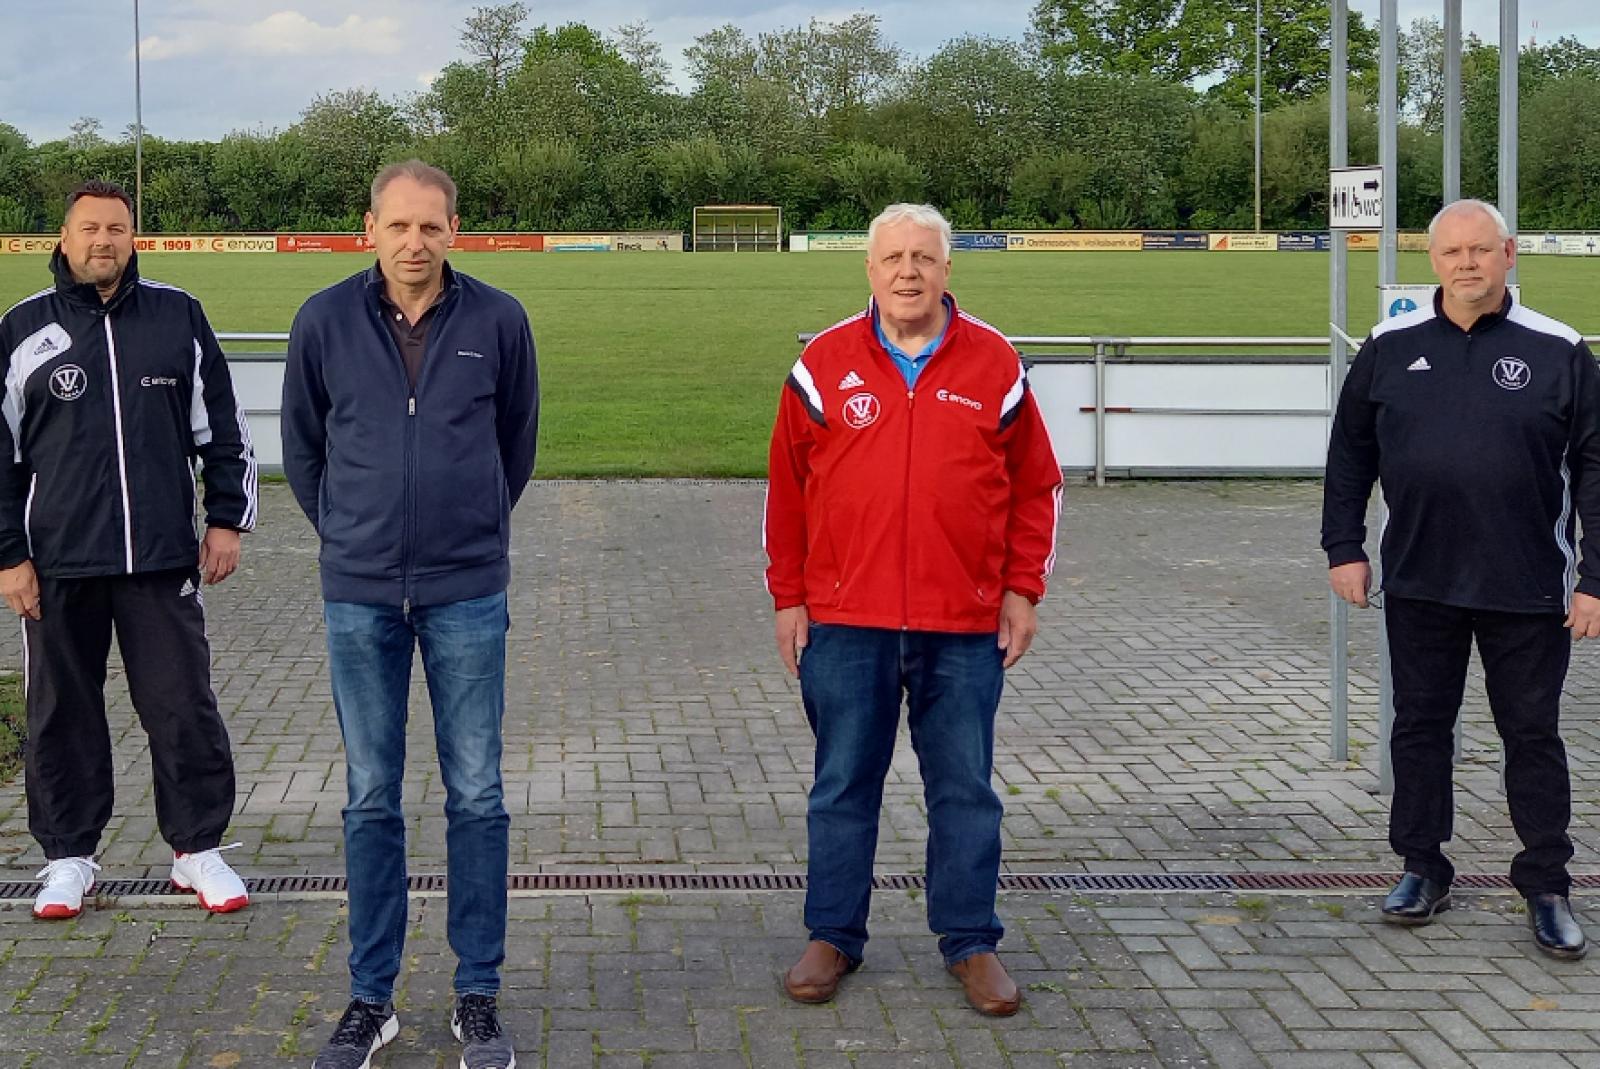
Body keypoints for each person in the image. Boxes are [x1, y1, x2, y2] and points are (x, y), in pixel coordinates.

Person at [763, 203, 1063, 1016]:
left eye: (923, 258)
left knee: (964, 789)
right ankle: (833, 934)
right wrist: (789, 597)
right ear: (869, 269)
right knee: (842, 785)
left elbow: (1038, 485)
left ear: (946, 270)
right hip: (845, 619)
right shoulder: (823, 363)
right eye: (893, 257)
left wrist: (1022, 588)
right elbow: (786, 490)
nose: (908, 272)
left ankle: (970, 940)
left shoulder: (995, 362)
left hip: (962, 622)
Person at [283, 160, 538, 1069]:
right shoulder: (323, 320)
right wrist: (354, 531)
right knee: (369, 794)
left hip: (467, 590)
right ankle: (371, 997)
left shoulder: (499, 320)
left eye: (430, 226)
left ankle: (477, 994)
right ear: (370, 229)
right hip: (360, 594)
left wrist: (466, 527)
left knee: (477, 793)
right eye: (398, 225)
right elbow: (304, 449)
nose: (414, 242)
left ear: (453, 230)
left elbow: (516, 445)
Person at [1323, 197, 1600, 960]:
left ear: (1509, 254)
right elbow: (1349, 454)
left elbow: (1595, 469)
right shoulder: (1389, 346)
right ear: (1433, 260)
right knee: (1419, 727)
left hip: (1530, 585)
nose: (1467, 263)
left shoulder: (1560, 349)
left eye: (1481, 249)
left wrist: (1595, 578)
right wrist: (1344, 546)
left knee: (1532, 734)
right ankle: (1422, 867)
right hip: (1420, 579)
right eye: (1452, 252)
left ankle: (1546, 883)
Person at [0, 179, 257, 920]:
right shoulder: (23, 328)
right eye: (88, 228)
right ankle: (67, 857)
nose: (102, 240)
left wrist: (226, 519)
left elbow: (223, 428)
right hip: (56, 564)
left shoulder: (177, 315)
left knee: (182, 706)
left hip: (160, 559)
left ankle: (197, 848)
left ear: (133, 237)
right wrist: (9, 556)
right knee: (61, 714)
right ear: (64, 236)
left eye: (116, 228)